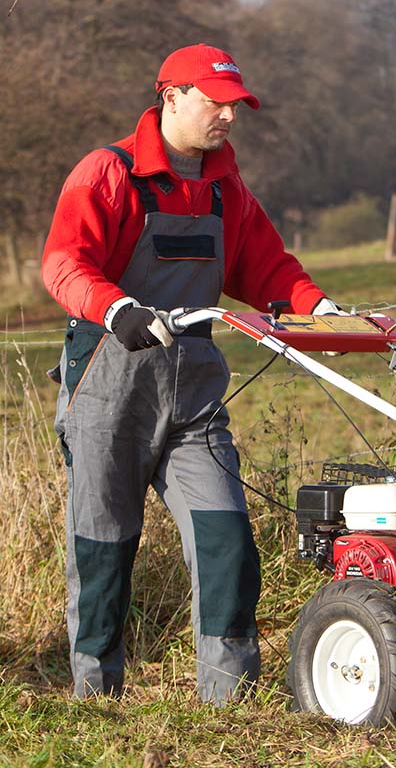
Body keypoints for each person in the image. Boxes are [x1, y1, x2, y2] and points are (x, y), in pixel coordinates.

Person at [42, 44, 343, 705]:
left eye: (235, 106)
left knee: (227, 537)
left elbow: (267, 267)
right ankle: (98, 699)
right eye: (216, 103)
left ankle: (227, 702)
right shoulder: (107, 172)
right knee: (103, 548)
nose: (229, 118)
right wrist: (116, 306)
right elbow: (65, 263)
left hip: (194, 392)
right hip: (108, 381)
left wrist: (321, 310)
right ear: (170, 96)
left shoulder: (224, 189)